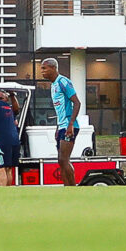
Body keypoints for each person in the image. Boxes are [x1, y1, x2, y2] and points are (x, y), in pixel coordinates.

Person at [43, 57, 82, 186]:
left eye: (44, 68)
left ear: (53, 68)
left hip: (69, 126)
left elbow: (76, 102)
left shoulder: (63, 82)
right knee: (61, 161)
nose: (42, 71)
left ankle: (72, 188)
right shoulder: (53, 85)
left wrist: (70, 124)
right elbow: (60, 110)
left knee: (63, 159)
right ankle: (67, 188)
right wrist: (58, 127)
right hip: (62, 126)